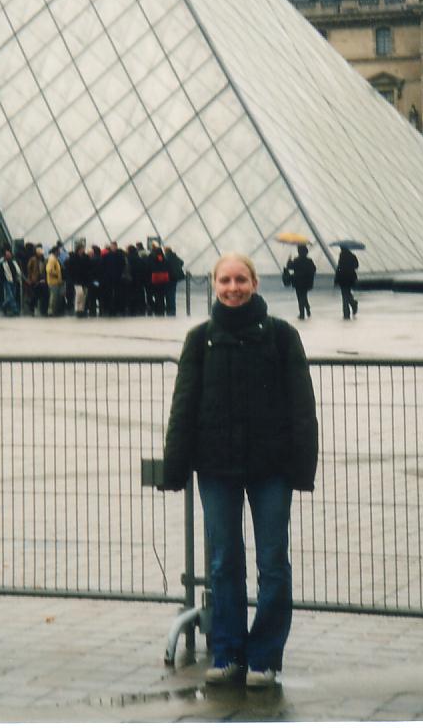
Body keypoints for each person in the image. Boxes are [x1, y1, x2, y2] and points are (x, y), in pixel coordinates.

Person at [161, 253, 318, 688]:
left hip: (271, 468)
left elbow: (302, 407)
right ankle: (228, 652)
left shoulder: (283, 336)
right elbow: (183, 407)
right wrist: (175, 468)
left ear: (255, 282)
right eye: (225, 280)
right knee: (224, 562)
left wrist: (302, 468)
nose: (233, 287)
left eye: (241, 279)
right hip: (216, 467)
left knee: (272, 562)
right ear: (214, 284)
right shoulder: (199, 339)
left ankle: (265, 655)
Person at [285, 244, 316, 320]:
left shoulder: (296, 260)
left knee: (300, 297)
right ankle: (307, 309)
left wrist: (289, 259)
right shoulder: (309, 260)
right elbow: (314, 269)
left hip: (298, 282)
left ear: (299, 251)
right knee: (304, 296)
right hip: (306, 282)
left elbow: (289, 267)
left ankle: (302, 314)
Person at [334, 246, 359, 320]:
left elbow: (339, 268)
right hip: (351, 277)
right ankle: (353, 304)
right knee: (347, 293)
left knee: (345, 295)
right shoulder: (352, 256)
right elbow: (356, 266)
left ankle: (346, 313)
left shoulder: (341, 257)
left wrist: (336, 279)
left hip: (343, 278)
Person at [163, 246, 185, 316]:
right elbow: (182, 262)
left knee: (169, 294)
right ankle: (172, 309)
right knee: (172, 293)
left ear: (165, 251)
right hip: (175, 278)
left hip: (169, 277)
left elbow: (164, 265)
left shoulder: (166, 257)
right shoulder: (174, 256)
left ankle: (170, 309)